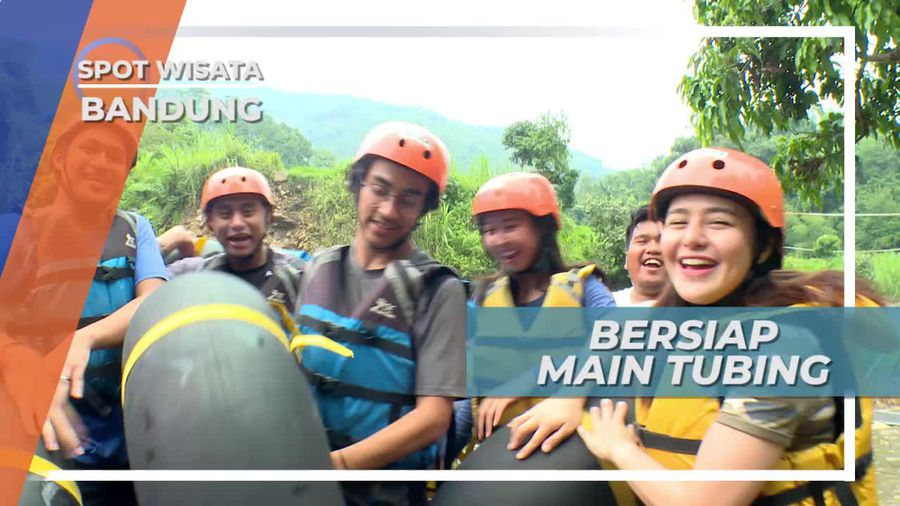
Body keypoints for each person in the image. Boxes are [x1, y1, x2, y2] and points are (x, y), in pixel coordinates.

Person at [575, 147, 879, 505]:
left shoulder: (782, 345)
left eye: (719, 222)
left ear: (763, 246)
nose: (693, 238)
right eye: (677, 222)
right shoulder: (684, 322)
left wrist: (621, 449)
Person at [295, 122, 467, 505]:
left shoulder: (438, 289)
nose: (389, 210)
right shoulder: (319, 267)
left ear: (424, 207)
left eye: (408, 199)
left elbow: (433, 417)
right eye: (380, 189)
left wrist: (333, 467)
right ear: (359, 184)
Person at [17, 118, 168, 506]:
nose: (101, 163)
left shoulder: (136, 229)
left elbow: (154, 300)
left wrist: (85, 337)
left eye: (114, 155)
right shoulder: (23, 233)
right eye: (89, 149)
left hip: (129, 432)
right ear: (61, 159)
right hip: (47, 426)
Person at [457, 171, 616, 453]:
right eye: (489, 231)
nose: (499, 240)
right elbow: (468, 388)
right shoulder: (484, 300)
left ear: (543, 228)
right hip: (498, 451)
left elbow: (616, 339)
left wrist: (529, 381)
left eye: (510, 226)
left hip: (568, 446)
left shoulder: (584, 288)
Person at [166, 167, 305, 310]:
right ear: (209, 222)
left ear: (268, 215)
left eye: (248, 212)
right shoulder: (194, 273)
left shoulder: (298, 276)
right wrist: (165, 243)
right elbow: (149, 284)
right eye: (225, 214)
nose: (237, 223)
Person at [612, 205, 665, 307]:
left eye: (662, 241)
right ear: (626, 260)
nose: (653, 249)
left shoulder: (698, 314)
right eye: (642, 241)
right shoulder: (602, 308)